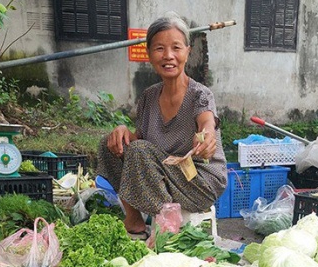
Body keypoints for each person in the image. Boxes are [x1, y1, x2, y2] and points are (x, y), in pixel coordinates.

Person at [96, 13, 227, 239]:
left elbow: (207, 121)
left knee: (139, 151)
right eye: (159, 49)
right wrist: (122, 132)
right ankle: (135, 219)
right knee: (111, 144)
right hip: (163, 175)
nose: (168, 56)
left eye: (176, 47)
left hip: (197, 179)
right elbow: (140, 141)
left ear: (187, 51)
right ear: (149, 54)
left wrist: (206, 136)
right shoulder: (148, 96)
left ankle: (167, 231)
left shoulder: (199, 94)